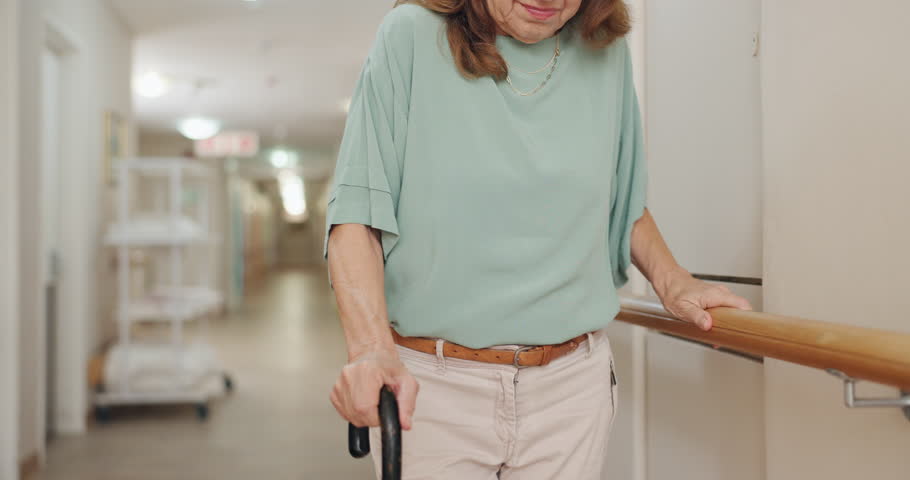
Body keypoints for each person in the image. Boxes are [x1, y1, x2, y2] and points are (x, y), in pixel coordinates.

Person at [325, 0, 752, 477]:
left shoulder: (604, 52)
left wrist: (675, 283)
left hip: (571, 387)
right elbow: (357, 214)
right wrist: (369, 351)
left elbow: (621, 198)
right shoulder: (410, 36)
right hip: (434, 388)